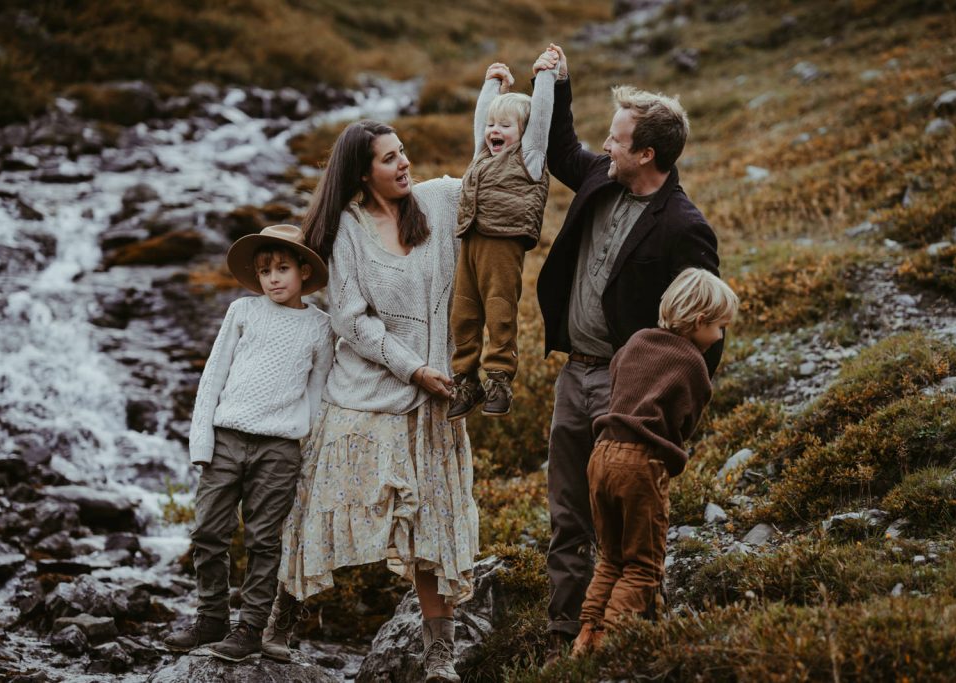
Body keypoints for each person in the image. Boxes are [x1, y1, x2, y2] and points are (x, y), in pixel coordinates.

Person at [268, 120, 478, 683]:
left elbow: (491, 164)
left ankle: (440, 653)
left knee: (432, 526)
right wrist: (415, 368)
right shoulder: (346, 230)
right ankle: (278, 622)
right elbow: (351, 321)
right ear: (363, 174)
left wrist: (497, 95)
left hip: (433, 403)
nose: (404, 163)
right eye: (389, 159)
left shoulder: (436, 201)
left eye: (403, 153)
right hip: (364, 395)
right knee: (320, 508)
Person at [532, 44, 722, 660]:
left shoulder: (684, 227)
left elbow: (705, 324)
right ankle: (566, 632)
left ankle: (621, 641)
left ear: (648, 154)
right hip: (574, 375)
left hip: (628, 392)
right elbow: (562, 148)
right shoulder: (599, 176)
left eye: (616, 141)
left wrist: (672, 409)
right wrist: (559, 83)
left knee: (622, 531)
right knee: (568, 513)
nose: (605, 147)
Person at [163, 224, 333, 662]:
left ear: (303, 272)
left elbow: (317, 396)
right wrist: (202, 442)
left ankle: (250, 628)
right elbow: (213, 377)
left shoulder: (320, 327)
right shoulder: (242, 312)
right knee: (207, 531)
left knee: (262, 539)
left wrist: (308, 454)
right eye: (264, 271)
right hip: (227, 439)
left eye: (282, 268)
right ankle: (211, 618)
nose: (273, 278)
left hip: (278, 448)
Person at [572, 268, 738, 655]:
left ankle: (585, 636)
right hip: (641, 463)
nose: (720, 336)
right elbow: (686, 419)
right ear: (699, 322)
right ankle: (610, 643)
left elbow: (616, 382)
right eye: (719, 327)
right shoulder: (693, 363)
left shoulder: (634, 343)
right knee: (643, 566)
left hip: (602, 453)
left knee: (610, 558)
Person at [448, 53, 560, 419]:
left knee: (499, 311)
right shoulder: (482, 155)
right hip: (471, 241)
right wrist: (491, 84)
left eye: (505, 126)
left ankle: (498, 379)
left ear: (524, 134)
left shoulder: (530, 156)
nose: (493, 130)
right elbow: (482, 119)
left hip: (503, 243)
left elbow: (541, 117)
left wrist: (545, 75)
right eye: (492, 126)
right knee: (462, 312)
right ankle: (465, 379)